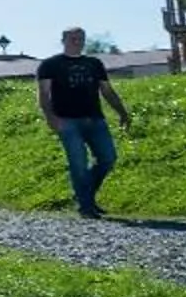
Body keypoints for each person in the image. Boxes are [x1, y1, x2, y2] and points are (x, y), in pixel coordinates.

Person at [35, 26, 132, 218]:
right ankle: (86, 206)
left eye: (81, 39)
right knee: (78, 163)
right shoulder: (50, 65)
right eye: (73, 39)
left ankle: (85, 196)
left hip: (95, 119)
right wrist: (51, 118)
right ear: (63, 40)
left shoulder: (94, 63)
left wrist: (122, 112)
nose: (77, 42)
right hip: (67, 121)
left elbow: (106, 90)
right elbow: (44, 94)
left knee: (108, 158)